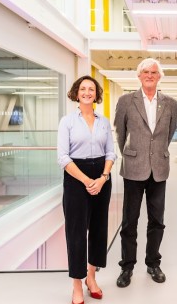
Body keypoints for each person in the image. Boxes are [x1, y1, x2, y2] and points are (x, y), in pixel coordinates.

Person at [114, 58, 177, 287]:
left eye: (153, 72)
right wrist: (131, 154)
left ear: (159, 76)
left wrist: (155, 153)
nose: (150, 75)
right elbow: (120, 133)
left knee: (157, 220)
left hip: (158, 170)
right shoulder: (125, 101)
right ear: (139, 76)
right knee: (129, 221)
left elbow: (169, 134)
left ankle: (153, 263)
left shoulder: (170, 103)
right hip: (133, 169)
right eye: (145, 72)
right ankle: (127, 267)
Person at [57, 75, 116, 304]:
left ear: (96, 94)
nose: (87, 92)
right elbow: (63, 157)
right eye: (83, 88)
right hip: (75, 177)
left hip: (102, 176)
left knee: (99, 230)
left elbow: (111, 153)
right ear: (76, 92)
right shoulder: (67, 122)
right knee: (76, 232)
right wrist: (86, 181)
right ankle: (76, 285)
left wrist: (102, 178)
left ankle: (91, 277)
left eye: (91, 89)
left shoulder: (103, 121)